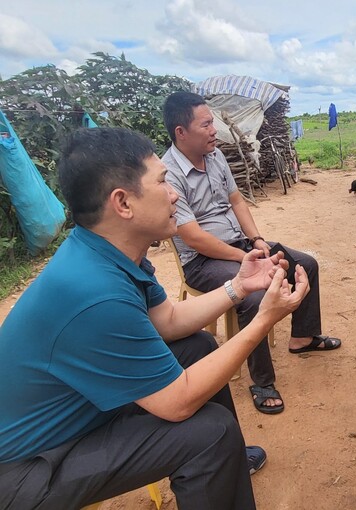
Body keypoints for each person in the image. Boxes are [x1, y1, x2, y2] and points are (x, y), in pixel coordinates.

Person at [0, 127, 309, 509]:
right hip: (26, 470)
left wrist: (240, 288)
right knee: (209, 433)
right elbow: (176, 403)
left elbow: (168, 319)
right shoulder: (95, 293)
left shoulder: (110, 251)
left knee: (195, 346)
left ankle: (226, 466)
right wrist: (264, 319)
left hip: (77, 412)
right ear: (123, 203)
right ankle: (219, 457)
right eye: (163, 181)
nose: (175, 193)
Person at [162, 91, 341, 415]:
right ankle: (262, 381)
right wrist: (241, 259)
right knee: (255, 296)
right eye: (206, 124)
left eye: (213, 122)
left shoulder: (214, 156)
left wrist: (256, 241)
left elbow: (237, 201)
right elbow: (192, 237)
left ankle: (303, 337)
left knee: (305, 263)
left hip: (240, 247)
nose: (214, 130)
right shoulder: (169, 172)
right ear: (181, 132)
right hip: (203, 261)